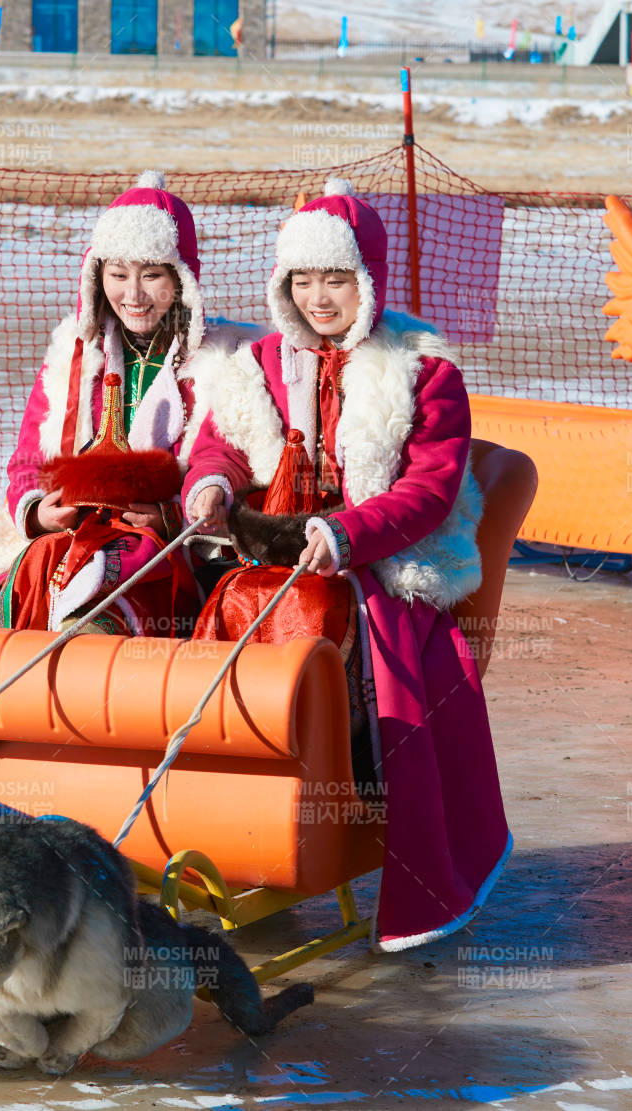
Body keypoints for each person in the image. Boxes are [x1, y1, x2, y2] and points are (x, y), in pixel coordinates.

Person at [185, 180, 511, 952]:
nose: (319, 297)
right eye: (303, 280)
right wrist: (213, 484)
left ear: (367, 280)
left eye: (335, 279)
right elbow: (224, 442)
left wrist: (347, 533)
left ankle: (358, 813)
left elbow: (428, 492)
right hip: (277, 555)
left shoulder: (423, 370)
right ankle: (242, 821)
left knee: (362, 653)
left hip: (383, 566)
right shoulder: (259, 363)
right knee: (222, 621)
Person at [0, 171, 246, 635]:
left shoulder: (218, 360)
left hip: (159, 542)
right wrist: (36, 511)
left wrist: (173, 514)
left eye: (151, 275)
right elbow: (30, 455)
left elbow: (220, 453)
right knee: (40, 562)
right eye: (118, 274)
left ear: (180, 280)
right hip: (66, 530)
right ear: (96, 274)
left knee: (113, 582)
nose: (133, 294)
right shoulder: (73, 354)